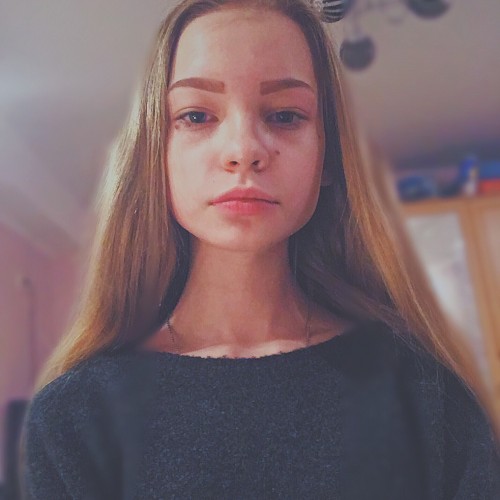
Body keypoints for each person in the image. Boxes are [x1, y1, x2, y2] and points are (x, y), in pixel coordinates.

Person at [20, 0, 500, 498]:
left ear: (328, 158)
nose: (243, 149)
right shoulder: (74, 420)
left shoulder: (425, 397)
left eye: (286, 115)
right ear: (156, 155)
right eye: (196, 115)